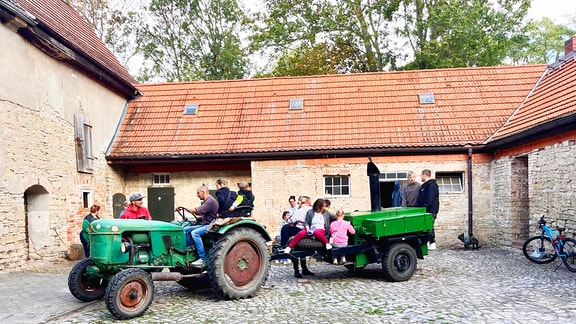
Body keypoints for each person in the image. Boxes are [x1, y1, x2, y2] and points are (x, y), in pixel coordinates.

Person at [284, 198, 336, 278]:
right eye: (323, 206)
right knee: (301, 233)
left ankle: (326, 243)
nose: (324, 208)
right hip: (311, 228)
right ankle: (289, 247)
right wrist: (308, 230)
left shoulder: (326, 213)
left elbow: (334, 217)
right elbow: (307, 222)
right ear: (319, 206)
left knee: (316, 232)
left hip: (320, 230)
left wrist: (341, 220)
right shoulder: (310, 212)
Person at [182, 185, 219, 267]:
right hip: (205, 224)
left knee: (195, 233)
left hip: (210, 226)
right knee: (186, 229)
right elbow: (207, 214)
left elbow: (199, 210)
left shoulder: (210, 201)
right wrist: (198, 218)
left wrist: (185, 209)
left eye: (198, 193)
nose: (197, 195)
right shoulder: (207, 201)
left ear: (203, 192)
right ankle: (189, 251)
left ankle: (202, 258)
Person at [416, 169, 439, 250]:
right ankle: (428, 242)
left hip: (431, 210)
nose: (421, 177)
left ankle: (433, 242)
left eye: (421, 175)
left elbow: (430, 199)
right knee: (425, 226)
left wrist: (424, 207)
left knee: (430, 226)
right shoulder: (424, 186)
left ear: (424, 175)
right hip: (424, 210)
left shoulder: (432, 185)